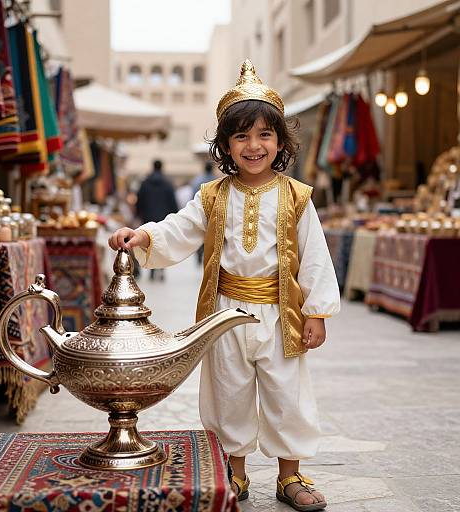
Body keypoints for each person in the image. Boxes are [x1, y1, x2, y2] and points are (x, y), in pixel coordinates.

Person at [109, 60, 340, 511]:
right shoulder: (213, 196)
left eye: (264, 135)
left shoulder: (297, 196)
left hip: (281, 315)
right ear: (225, 146)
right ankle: (234, 471)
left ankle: (289, 476)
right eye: (241, 136)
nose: (253, 145)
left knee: (285, 394)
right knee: (229, 391)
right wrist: (144, 236)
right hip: (226, 311)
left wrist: (316, 311)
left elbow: (314, 254)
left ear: (280, 142)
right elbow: (181, 228)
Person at [135, 159, 178, 280]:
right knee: (162, 242)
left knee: (149, 241)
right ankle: (161, 268)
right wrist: (174, 215)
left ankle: (152, 269)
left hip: (148, 216)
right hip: (163, 217)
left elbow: (139, 200)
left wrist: (139, 213)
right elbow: (172, 202)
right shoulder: (167, 183)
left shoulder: (145, 183)